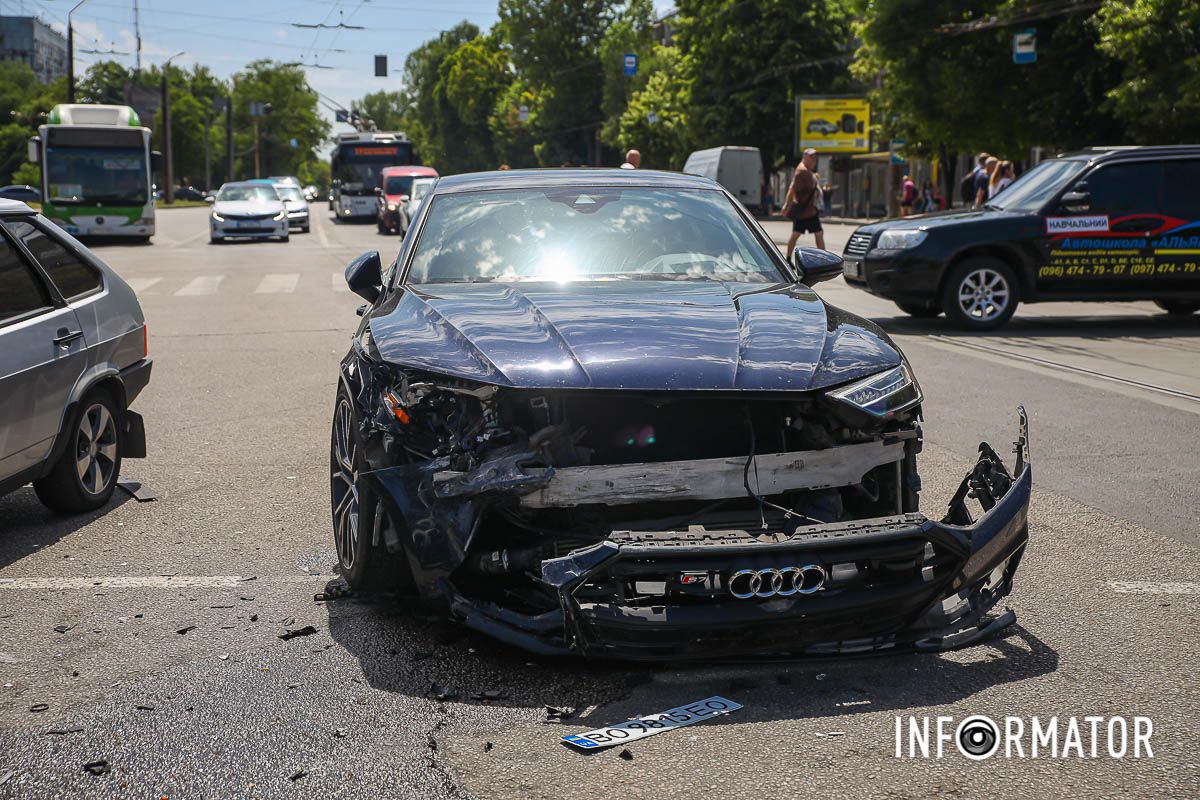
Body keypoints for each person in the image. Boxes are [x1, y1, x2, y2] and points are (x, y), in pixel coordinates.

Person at [783, 148, 823, 256]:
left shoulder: (806, 170)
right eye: (811, 158)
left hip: (807, 210)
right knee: (817, 234)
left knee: (798, 234)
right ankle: (825, 258)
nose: (814, 160)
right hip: (805, 211)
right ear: (804, 158)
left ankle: (788, 258)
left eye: (815, 158)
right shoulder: (802, 171)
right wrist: (787, 205)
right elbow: (792, 189)